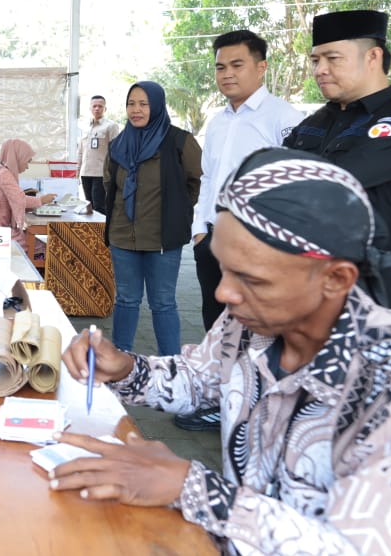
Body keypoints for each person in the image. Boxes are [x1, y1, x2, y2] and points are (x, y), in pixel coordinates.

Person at [52, 147, 391, 555]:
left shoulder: (385, 382)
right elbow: (200, 378)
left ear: (336, 278)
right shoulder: (251, 323)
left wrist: (191, 487)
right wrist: (127, 368)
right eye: (224, 268)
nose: (223, 293)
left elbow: (357, 548)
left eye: (251, 278)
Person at [176, 29, 303, 433]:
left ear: (261, 67)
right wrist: (199, 232)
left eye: (237, 65)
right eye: (220, 67)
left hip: (257, 246)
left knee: (258, 330)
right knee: (217, 324)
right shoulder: (217, 122)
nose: (227, 74)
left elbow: (295, 186)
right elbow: (209, 178)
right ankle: (220, 401)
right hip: (213, 239)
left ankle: (260, 413)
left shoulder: (284, 119)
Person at [284, 9, 391, 304]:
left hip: (362, 297)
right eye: (315, 60)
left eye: (332, 58)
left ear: (373, 57)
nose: (319, 69)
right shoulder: (314, 122)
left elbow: (331, 185)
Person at [103, 81, 201, 356]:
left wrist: (177, 211)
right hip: (123, 237)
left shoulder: (180, 142)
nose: (136, 110)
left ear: (157, 105)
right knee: (126, 300)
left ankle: (171, 367)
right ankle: (120, 361)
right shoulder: (118, 145)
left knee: (163, 303)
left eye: (143, 104)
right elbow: (109, 184)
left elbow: (197, 182)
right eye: (131, 103)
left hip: (163, 239)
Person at [0, 139, 56, 257]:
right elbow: (20, 200)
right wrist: (42, 200)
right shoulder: (5, 175)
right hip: (1, 234)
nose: (27, 166)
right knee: (47, 246)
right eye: (27, 161)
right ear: (18, 157)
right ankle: (40, 273)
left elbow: (15, 199)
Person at [77, 95, 121, 212]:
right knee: (89, 204)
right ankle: (92, 230)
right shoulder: (85, 127)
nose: (97, 108)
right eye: (94, 106)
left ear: (105, 109)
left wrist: (113, 173)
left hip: (101, 173)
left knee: (99, 205)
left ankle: (103, 230)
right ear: (90, 108)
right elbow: (81, 152)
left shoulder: (111, 126)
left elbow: (116, 151)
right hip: (86, 172)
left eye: (100, 106)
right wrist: (77, 172)